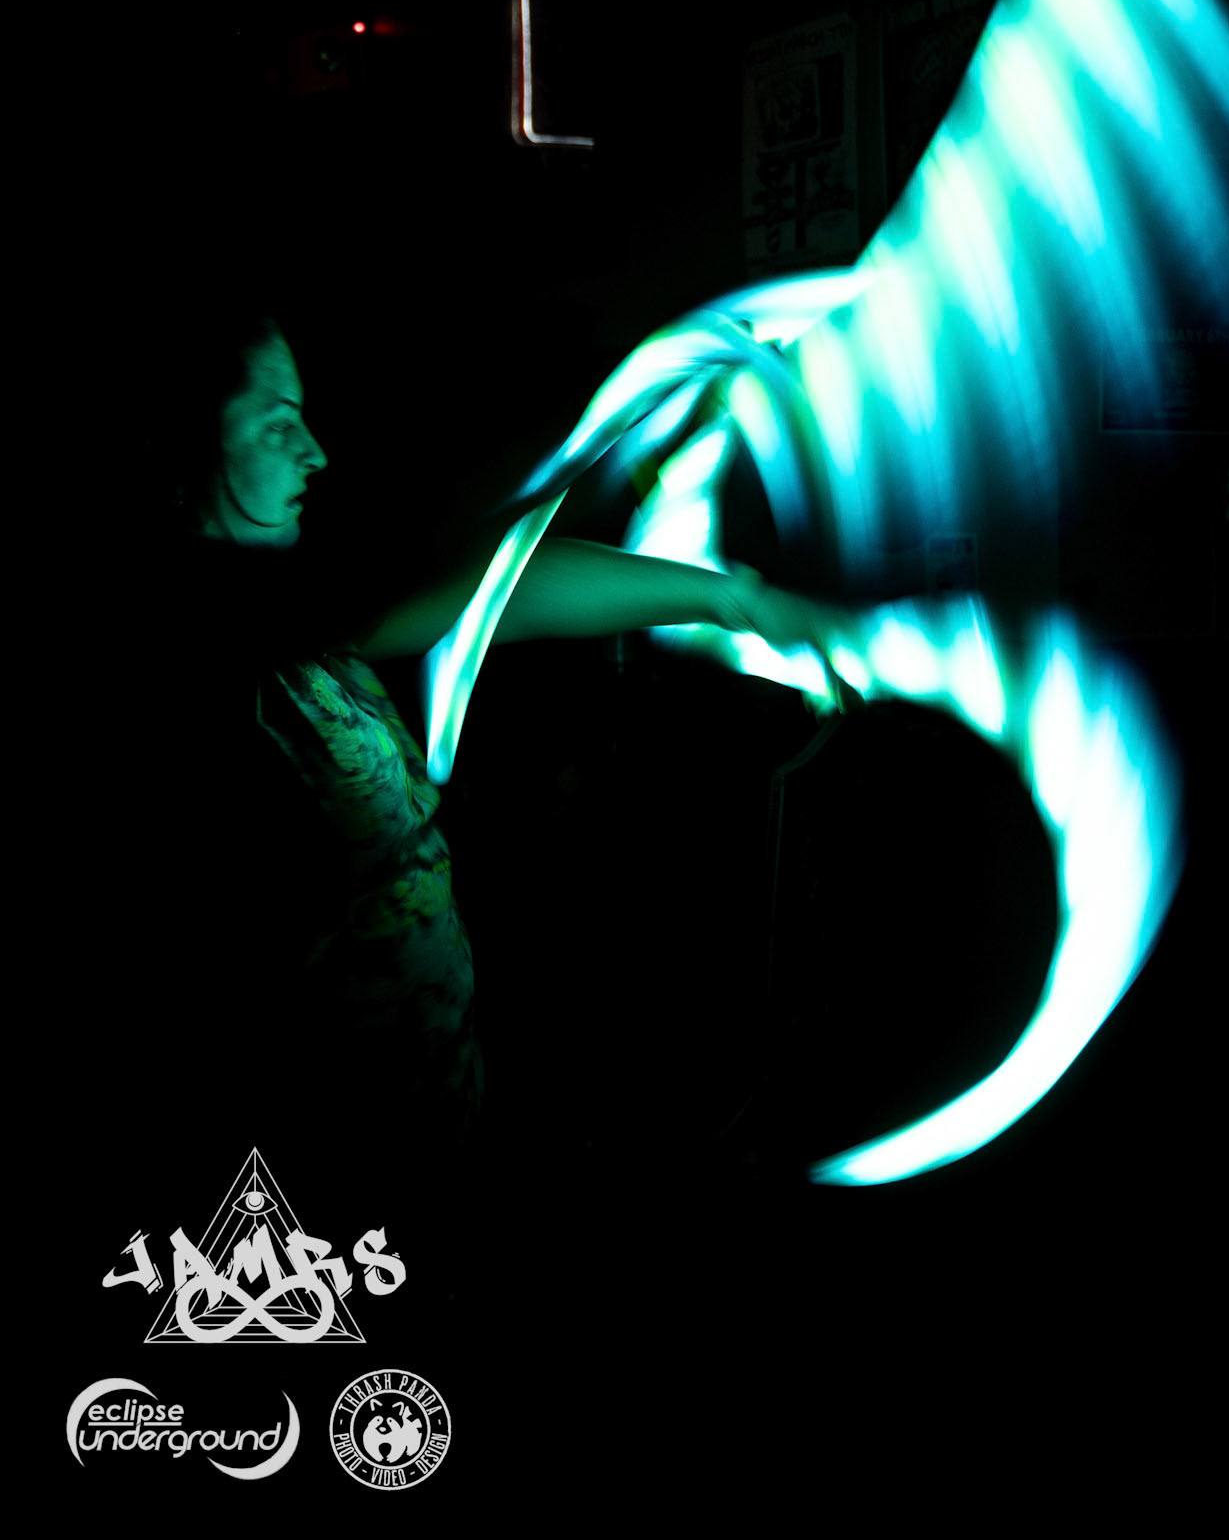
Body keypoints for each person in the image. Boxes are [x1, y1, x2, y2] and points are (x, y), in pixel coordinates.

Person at [80, 286, 854, 1198]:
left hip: (435, 1123)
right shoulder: (176, 684)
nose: (315, 452)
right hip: (317, 1181)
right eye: (277, 423)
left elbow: (500, 591)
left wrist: (727, 597)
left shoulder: (295, 628)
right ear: (178, 447)